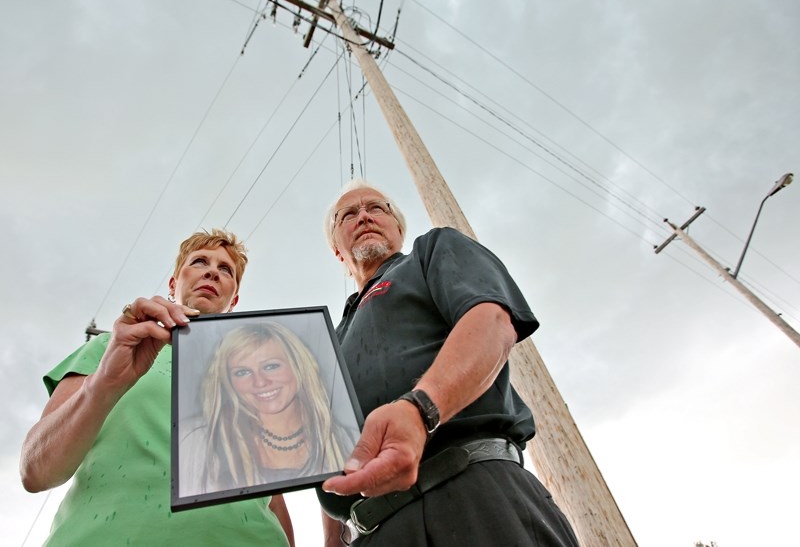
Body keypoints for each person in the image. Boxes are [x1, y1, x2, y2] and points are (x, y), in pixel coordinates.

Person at [317, 179, 580, 546]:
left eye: (377, 208)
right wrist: (333, 536)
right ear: (336, 249)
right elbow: (324, 440)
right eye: (348, 214)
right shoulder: (327, 337)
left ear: (397, 227)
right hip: (374, 531)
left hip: (471, 491)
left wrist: (420, 409)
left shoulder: (432, 251)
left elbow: (492, 322)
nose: (364, 216)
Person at [20, 229, 294, 546]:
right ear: (173, 284)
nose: (211, 272)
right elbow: (36, 471)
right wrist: (105, 382)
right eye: (200, 261)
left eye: (225, 270)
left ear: (233, 300)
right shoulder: (112, 349)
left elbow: (272, 496)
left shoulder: (255, 376)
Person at [179, 321, 357, 496]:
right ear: (228, 382)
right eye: (242, 372)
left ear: (299, 366)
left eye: (271, 366)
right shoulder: (199, 441)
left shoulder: (348, 441)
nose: (260, 382)